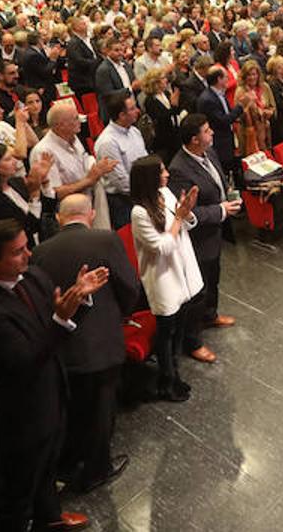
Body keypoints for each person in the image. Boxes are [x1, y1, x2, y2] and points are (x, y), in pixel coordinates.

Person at [0, 218, 107, 532]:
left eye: (26, 247)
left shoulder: (33, 277)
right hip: (23, 415)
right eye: (17, 252)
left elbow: (57, 321)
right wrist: (60, 318)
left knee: (48, 469)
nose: (28, 256)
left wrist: (78, 299)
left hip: (52, 390)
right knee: (21, 491)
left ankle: (51, 518)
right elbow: (24, 361)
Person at [32, 193, 137, 491]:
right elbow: (128, 285)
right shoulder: (106, 239)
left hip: (63, 342)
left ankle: (71, 461)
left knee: (75, 407)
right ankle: (97, 469)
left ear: (60, 219)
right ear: (90, 214)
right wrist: (123, 313)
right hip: (102, 341)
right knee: (103, 409)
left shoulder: (41, 251)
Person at [167, 113, 242, 362]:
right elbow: (186, 211)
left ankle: (210, 315)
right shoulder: (178, 169)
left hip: (215, 232)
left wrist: (228, 196)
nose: (212, 134)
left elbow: (218, 183)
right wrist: (220, 210)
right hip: (198, 238)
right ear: (194, 139)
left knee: (214, 277)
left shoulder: (209, 152)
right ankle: (193, 340)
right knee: (197, 290)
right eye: (207, 131)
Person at [128, 155, 201, 401]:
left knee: (179, 327)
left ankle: (175, 372)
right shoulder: (139, 212)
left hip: (180, 269)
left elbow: (185, 226)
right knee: (166, 331)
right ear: (150, 177)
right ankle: (166, 380)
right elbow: (160, 247)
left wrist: (187, 213)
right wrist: (179, 217)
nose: (167, 173)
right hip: (163, 277)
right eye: (161, 171)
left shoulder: (165, 193)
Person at [31, 99, 116, 229]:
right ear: (60, 125)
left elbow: (85, 163)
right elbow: (54, 194)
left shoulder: (74, 137)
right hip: (69, 219)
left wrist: (98, 169)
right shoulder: (43, 151)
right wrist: (89, 180)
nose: (80, 121)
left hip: (89, 207)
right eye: (75, 118)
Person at [0, 142, 50, 246]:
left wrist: (44, 182)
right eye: (8, 159)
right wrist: (34, 193)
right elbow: (29, 227)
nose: (15, 161)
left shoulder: (16, 183)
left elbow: (48, 211)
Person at [94, 92, 147, 230]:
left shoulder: (134, 131)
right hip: (123, 202)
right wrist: (147, 191)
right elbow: (121, 182)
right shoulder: (108, 142)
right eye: (132, 109)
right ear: (121, 115)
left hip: (141, 194)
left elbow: (146, 161)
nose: (137, 111)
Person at [139, 67, 181, 163]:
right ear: (155, 82)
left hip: (174, 134)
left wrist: (176, 106)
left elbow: (174, 112)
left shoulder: (166, 94)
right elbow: (161, 118)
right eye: (163, 78)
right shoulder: (150, 100)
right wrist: (173, 107)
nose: (166, 80)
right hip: (163, 140)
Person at [235, 59, 275, 155]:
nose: (252, 77)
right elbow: (238, 115)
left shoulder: (265, 87)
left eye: (254, 74)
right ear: (244, 76)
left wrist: (268, 112)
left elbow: (272, 106)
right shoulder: (241, 91)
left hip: (265, 129)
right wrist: (251, 107)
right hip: (249, 132)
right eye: (249, 75)